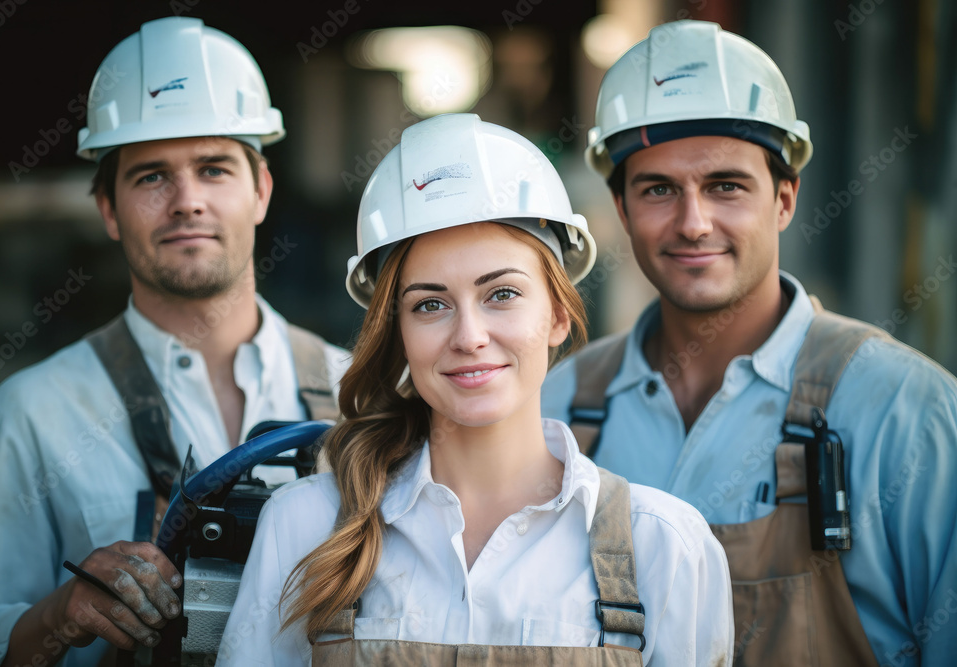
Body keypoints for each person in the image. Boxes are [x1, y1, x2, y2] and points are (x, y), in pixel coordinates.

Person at [216, 113, 734, 666]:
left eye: (502, 294)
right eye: (430, 305)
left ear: (558, 315)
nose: (468, 337)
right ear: (399, 331)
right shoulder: (304, 527)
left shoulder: (663, 546)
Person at [541, 19, 957, 667]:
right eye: (658, 190)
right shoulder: (561, 406)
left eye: (725, 186)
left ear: (785, 199)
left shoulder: (908, 410)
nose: (693, 222)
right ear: (621, 210)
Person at [0, 17, 348, 667]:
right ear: (108, 208)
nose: (186, 200)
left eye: (214, 168)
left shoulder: (358, 393)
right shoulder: (30, 412)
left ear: (262, 190)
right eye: (150, 176)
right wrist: (59, 613)